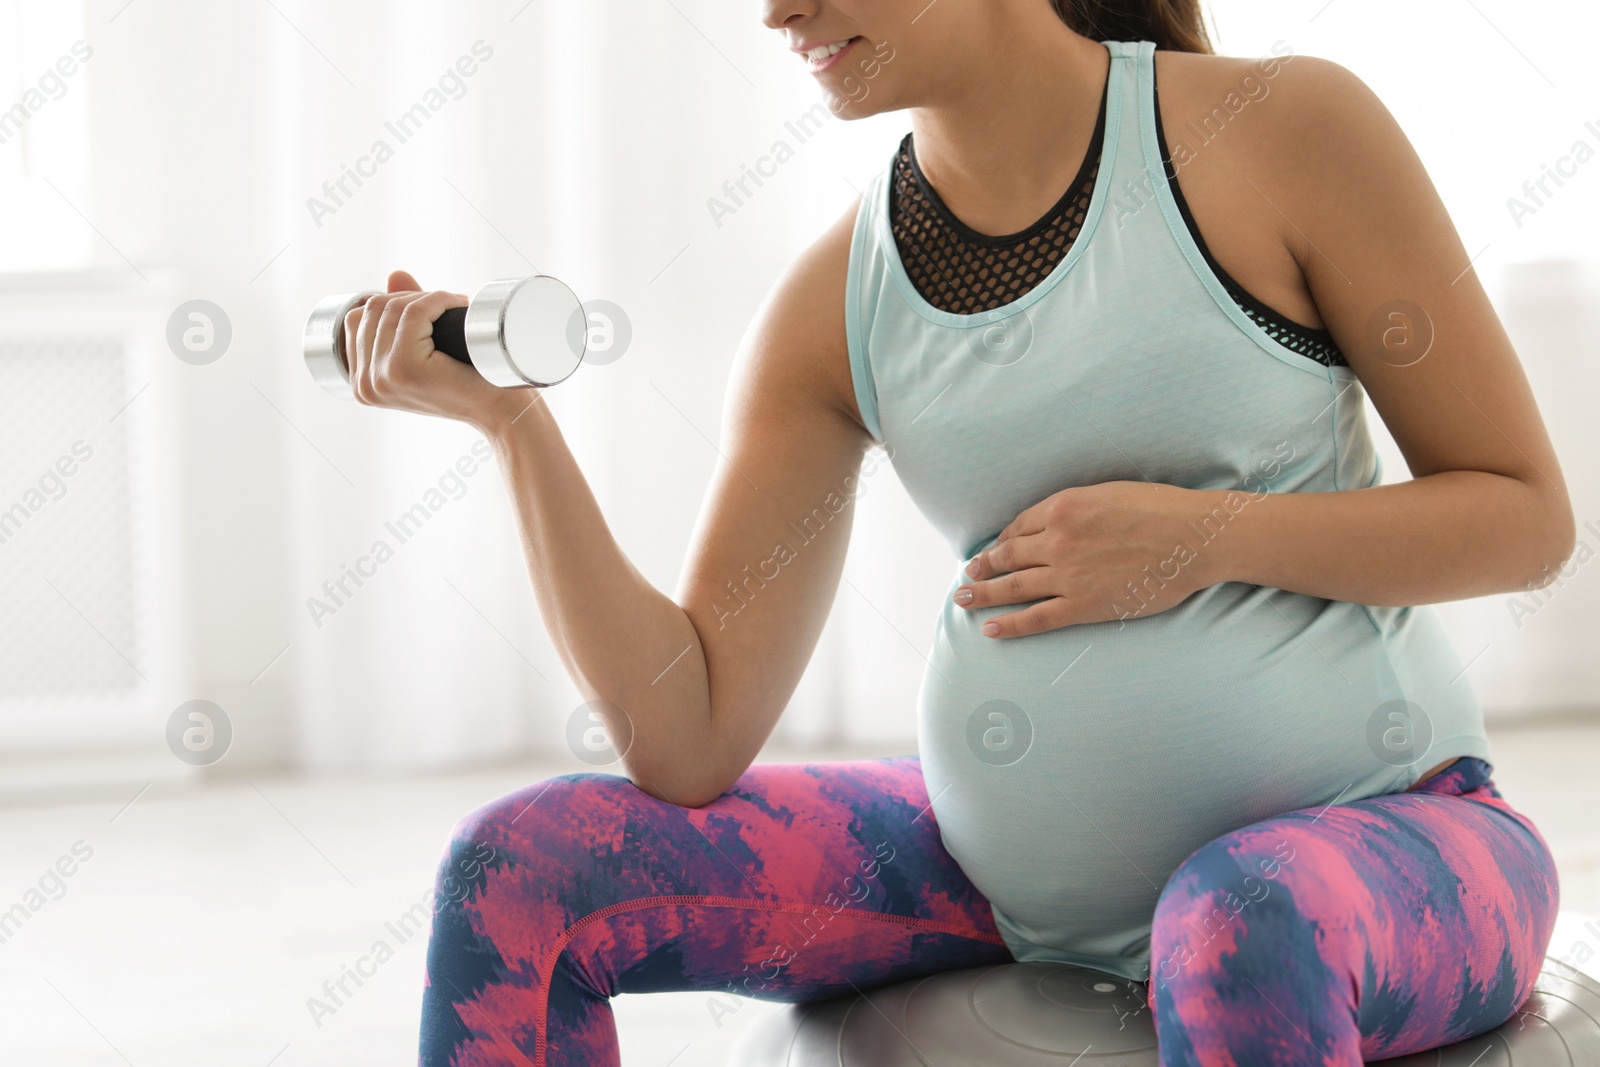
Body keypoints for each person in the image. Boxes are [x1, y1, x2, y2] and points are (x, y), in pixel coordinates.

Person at [340, 2, 1573, 1064]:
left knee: (1237, 915)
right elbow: (687, 732)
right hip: (1004, 882)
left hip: (1407, 839)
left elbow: (1524, 515)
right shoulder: (833, 305)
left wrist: (1208, 537)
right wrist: (513, 430)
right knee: (524, 869)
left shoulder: (1282, 131)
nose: (777, 11)